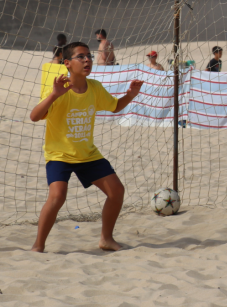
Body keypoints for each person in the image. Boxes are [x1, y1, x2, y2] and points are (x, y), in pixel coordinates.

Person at [29, 42, 144, 252]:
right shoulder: (57, 88)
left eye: (89, 56)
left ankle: (106, 239)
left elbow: (115, 106)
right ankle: (38, 245)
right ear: (67, 63)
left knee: (117, 191)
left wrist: (131, 94)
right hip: (59, 155)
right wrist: (54, 95)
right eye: (80, 57)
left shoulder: (95, 87)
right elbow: (34, 116)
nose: (87, 60)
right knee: (57, 197)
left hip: (87, 154)